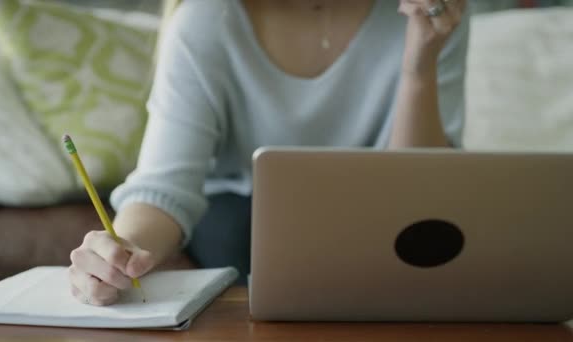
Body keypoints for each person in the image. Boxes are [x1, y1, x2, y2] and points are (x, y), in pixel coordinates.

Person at [68, 0, 469, 306]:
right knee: (246, 234)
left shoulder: (432, 15)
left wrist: (420, 69)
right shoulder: (208, 19)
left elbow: (415, 198)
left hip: (376, 215)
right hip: (242, 217)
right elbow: (164, 187)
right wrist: (122, 250)